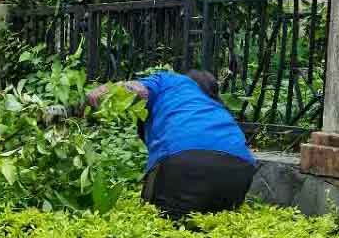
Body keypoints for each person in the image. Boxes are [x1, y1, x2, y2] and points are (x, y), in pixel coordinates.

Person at [87, 69, 256, 220]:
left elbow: (137, 88)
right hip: (240, 171)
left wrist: (105, 90)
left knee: (162, 221)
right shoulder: (217, 107)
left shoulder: (171, 81)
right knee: (213, 223)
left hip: (185, 161)